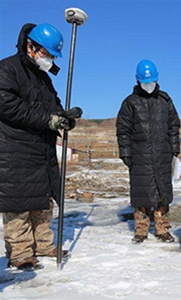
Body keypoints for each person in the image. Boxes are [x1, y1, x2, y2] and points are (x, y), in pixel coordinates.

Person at [0, 23, 80, 270]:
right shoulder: (8, 69)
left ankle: (44, 245)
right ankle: (21, 253)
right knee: (18, 205)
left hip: (42, 151)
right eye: (47, 54)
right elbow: (7, 105)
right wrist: (48, 120)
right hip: (15, 150)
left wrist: (65, 118)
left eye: (52, 56)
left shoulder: (44, 78)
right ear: (30, 47)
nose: (50, 59)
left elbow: (52, 106)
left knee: (43, 203)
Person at [116, 59, 180, 244]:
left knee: (163, 194)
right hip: (139, 155)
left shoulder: (165, 100)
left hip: (162, 154)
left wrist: (174, 149)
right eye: (145, 82)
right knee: (141, 195)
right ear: (138, 81)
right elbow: (123, 130)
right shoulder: (130, 103)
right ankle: (141, 231)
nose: (149, 86)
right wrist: (125, 153)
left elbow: (174, 126)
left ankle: (163, 230)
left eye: (151, 81)